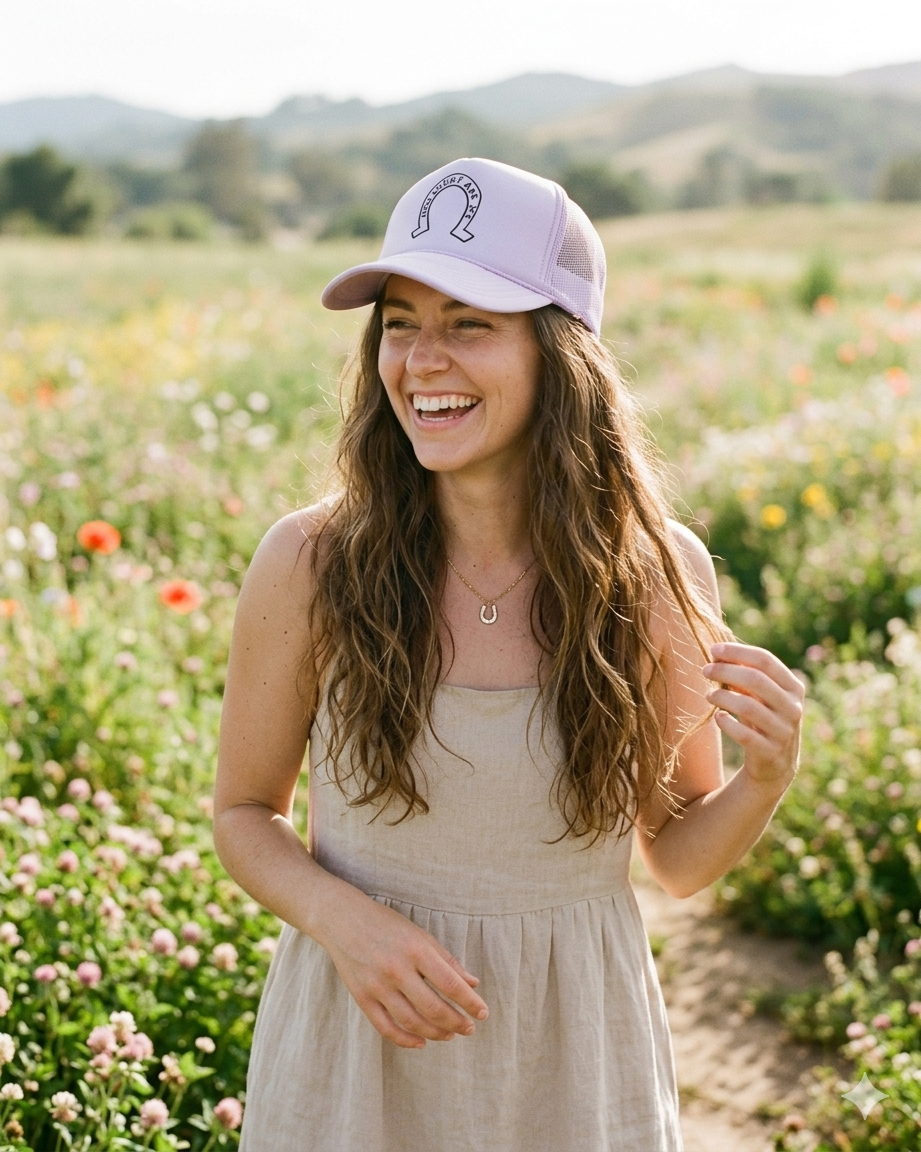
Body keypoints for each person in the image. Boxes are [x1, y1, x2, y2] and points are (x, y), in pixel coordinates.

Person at [214, 157, 805, 1152]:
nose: (421, 361)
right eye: (400, 322)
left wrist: (765, 778)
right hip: (357, 1058)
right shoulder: (311, 561)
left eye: (469, 324)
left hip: (572, 1067)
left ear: (559, 353)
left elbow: (677, 855)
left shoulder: (652, 573)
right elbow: (243, 812)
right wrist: (345, 923)